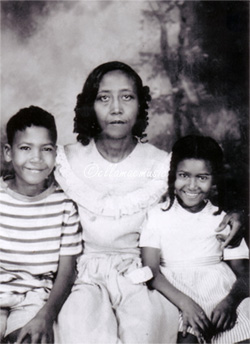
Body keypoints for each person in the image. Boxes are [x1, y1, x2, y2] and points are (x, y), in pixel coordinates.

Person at [54, 61, 244, 343]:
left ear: (140, 104)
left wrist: (241, 214)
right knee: (82, 330)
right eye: (104, 97)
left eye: (127, 97)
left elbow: (202, 200)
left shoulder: (161, 163)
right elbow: (23, 191)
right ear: (90, 105)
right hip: (82, 274)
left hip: (143, 274)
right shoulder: (65, 159)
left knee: (146, 330)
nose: (116, 108)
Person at [140, 135, 249, 344]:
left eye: (202, 177)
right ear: (172, 175)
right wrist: (185, 304)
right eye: (184, 175)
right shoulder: (157, 215)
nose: (191, 185)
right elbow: (151, 271)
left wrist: (230, 302)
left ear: (214, 179)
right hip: (176, 295)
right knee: (185, 339)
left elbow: (245, 275)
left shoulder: (222, 218)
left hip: (221, 295)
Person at [0, 106, 82, 344]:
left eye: (45, 149)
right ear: (8, 152)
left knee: (30, 341)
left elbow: (67, 271)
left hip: (35, 299)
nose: (36, 158)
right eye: (25, 148)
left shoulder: (64, 205)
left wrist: (46, 315)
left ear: (55, 154)